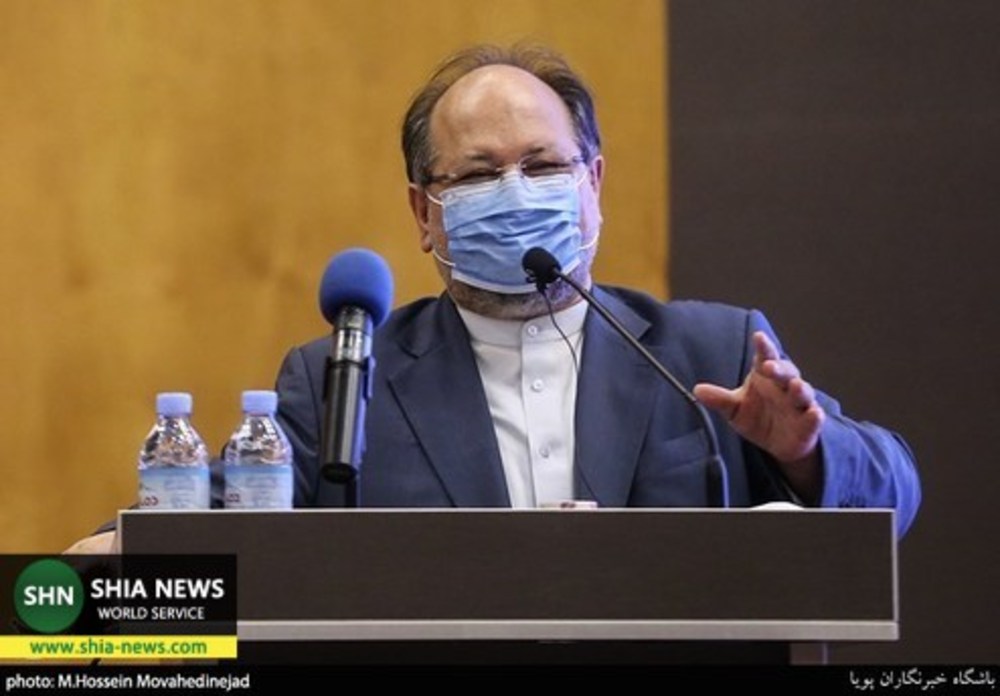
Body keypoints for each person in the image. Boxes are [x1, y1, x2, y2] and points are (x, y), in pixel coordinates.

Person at [68, 43, 919, 555]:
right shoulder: (342, 381)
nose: (515, 193)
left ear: (593, 185)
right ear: (424, 212)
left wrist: (808, 454)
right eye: (477, 175)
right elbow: (220, 518)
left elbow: (897, 496)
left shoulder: (709, 351)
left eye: (543, 166)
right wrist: (116, 553)